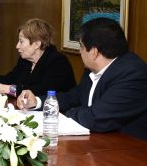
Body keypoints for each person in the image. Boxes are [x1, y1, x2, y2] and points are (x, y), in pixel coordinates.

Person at [17, 18, 147, 141]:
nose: (80, 52)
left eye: (81, 47)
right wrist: (37, 102)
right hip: (99, 142)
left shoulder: (133, 74)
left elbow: (96, 117)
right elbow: (73, 97)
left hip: (130, 152)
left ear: (94, 52)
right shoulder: (92, 69)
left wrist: (65, 114)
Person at [0, 18, 76, 97]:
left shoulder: (58, 62)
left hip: (58, 116)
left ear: (36, 44)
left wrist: (7, 89)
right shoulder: (26, 59)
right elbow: (11, 78)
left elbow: (40, 92)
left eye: (21, 41)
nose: (17, 46)